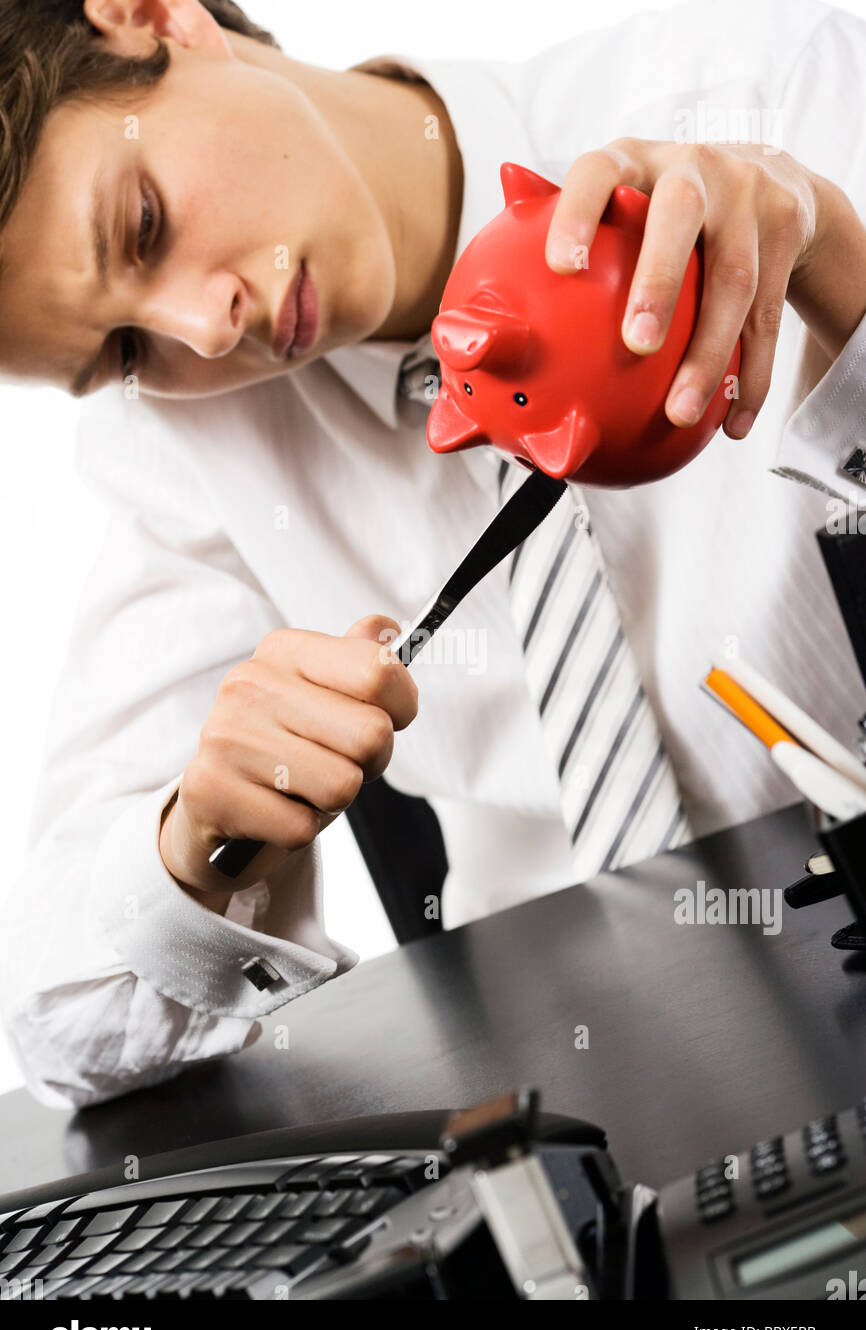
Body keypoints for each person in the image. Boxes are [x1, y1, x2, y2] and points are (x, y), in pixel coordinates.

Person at [0, 0, 864, 1108]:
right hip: (577, 1106)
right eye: (124, 351)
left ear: (154, 19)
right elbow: (63, 1021)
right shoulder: (188, 442)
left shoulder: (782, 98)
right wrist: (199, 840)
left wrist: (844, 291)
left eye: (144, 224)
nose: (203, 331)